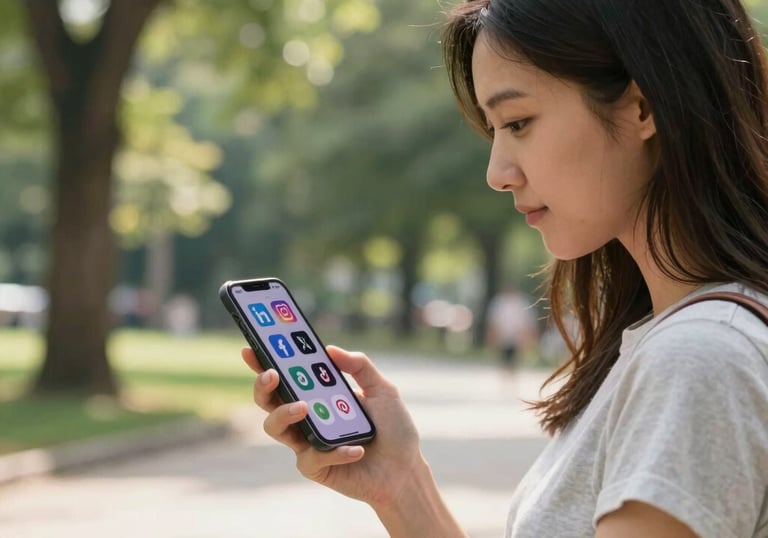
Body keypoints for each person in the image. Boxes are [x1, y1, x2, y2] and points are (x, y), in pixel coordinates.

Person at [241, 0, 768, 536]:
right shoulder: (675, 342)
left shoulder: (700, 358)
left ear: (641, 107)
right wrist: (401, 487)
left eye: (519, 122)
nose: (497, 173)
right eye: (494, 130)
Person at [485, 284, 538, 369]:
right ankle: (507, 370)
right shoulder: (498, 302)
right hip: (503, 334)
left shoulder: (521, 301)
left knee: (515, 355)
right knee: (505, 355)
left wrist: (527, 335)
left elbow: (527, 320)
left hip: (517, 334)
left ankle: (511, 370)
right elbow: (493, 320)